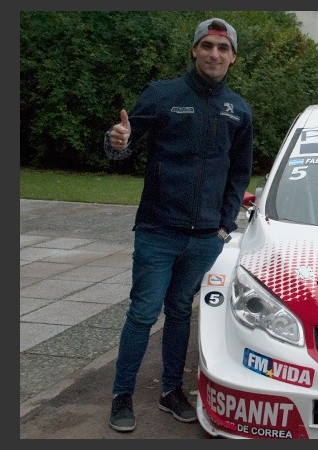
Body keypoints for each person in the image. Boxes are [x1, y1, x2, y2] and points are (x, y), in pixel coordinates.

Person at [103, 17, 253, 432]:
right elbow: (125, 142)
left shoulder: (238, 109)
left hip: (206, 237)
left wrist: (224, 224)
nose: (214, 55)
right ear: (194, 50)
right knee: (143, 312)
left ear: (233, 58)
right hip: (158, 231)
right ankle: (122, 396)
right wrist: (117, 141)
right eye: (207, 46)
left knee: (180, 311)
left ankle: (171, 390)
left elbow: (239, 171)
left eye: (223, 49)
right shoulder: (162, 94)